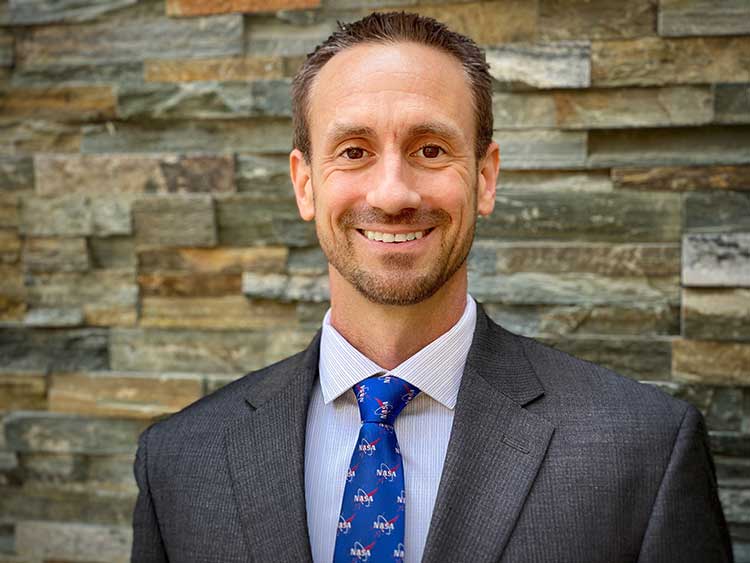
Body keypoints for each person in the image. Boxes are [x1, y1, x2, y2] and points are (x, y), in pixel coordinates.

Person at [131, 11, 733, 563]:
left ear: (485, 177)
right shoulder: (181, 462)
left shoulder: (644, 451)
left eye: (430, 148)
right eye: (354, 150)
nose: (393, 194)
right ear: (305, 184)